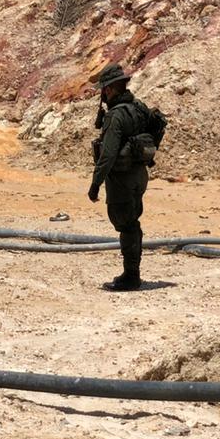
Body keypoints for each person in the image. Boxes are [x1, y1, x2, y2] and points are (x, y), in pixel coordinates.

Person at [87, 64, 152, 291]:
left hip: (122, 179)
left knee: (126, 225)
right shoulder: (139, 108)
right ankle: (132, 272)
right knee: (132, 222)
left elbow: (108, 154)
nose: (103, 94)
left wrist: (95, 184)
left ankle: (131, 276)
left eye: (104, 89)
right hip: (140, 176)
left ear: (112, 89)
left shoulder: (116, 116)